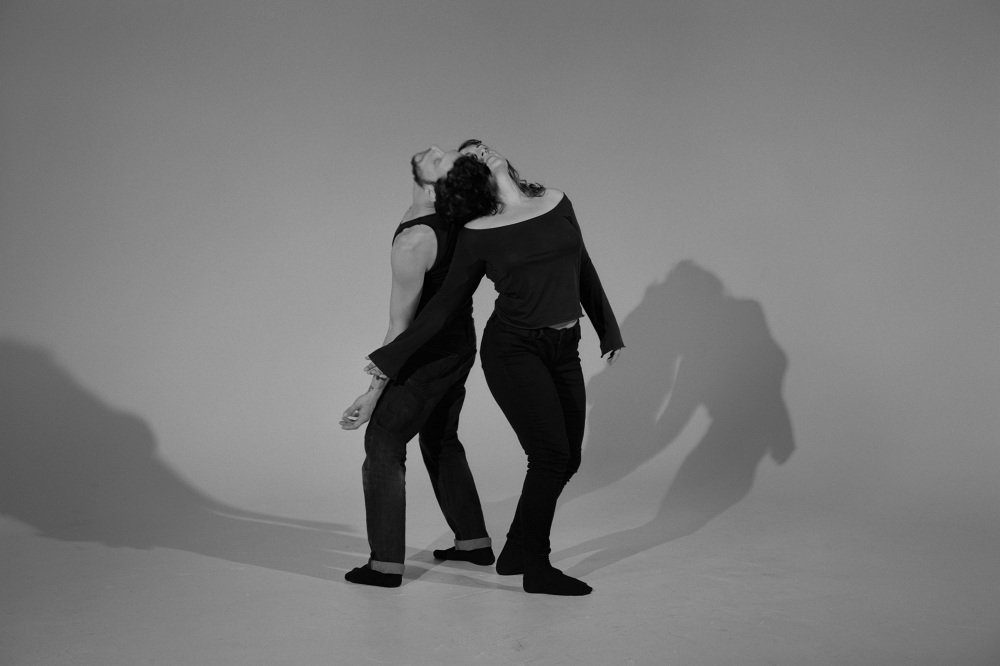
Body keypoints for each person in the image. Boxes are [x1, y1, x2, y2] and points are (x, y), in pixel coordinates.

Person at [367, 140, 624, 596]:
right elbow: (445, 304)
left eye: (482, 146)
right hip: (513, 351)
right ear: (473, 180)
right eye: (471, 157)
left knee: (569, 458)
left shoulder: (556, 201)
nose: (482, 151)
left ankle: (515, 550)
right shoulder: (478, 231)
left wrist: (608, 329)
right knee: (549, 457)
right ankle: (536, 568)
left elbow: (582, 264)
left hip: (566, 347)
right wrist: (386, 361)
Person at [339, 145, 493, 588]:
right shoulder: (448, 217)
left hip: (430, 354)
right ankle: (473, 542)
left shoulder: (417, 239)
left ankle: (385, 566)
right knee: (441, 439)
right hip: (459, 345)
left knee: (383, 441)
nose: (438, 150)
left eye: (443, 161)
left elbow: (400, 324)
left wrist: (373, 392)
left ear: (437, 188)